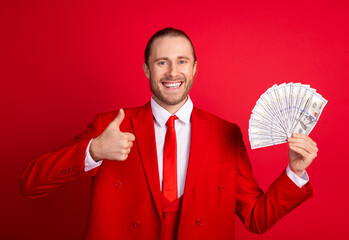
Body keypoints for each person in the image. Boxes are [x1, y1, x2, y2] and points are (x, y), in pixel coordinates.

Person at [20, 27, 318, 240]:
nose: (172, 72)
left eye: (182, 62)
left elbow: (256, 218)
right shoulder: (110, 125)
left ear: (195, 69)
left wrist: (294, 172)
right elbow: (30, 184)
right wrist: (93, 151)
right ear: (147, 70)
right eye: (162, 62)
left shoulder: (226, 133)